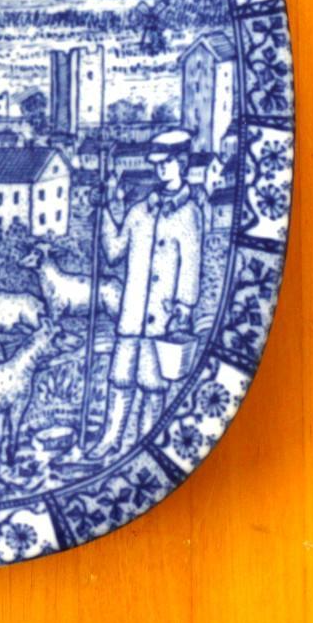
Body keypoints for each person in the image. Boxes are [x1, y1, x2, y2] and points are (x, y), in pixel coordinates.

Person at [87, 128, 203, 460]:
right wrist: (105, 212)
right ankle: (110, 439)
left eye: (168, 162)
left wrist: (184, 305)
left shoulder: (190, 214)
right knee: (120, 378)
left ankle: (145, 444)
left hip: (162, 317)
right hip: (132, 313)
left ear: (182, 163)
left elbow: (191, 262)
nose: (161, 168)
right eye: (158, 163)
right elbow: (114, 251)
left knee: (153, 383)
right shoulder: (139, 211)